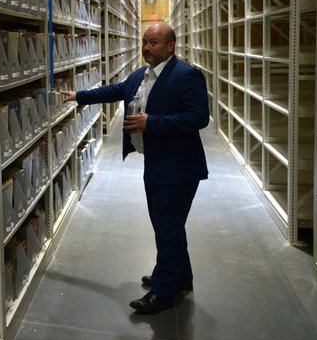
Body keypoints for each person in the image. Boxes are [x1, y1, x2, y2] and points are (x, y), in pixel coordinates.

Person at [59, 22, 209, 314]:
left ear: (170, 46)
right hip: (157, 162)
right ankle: (180, 277)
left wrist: (150, 123)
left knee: (166, 225)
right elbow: (116, 90)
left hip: (178, 167)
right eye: (145, 42)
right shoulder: (142, 75)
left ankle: (163, 292)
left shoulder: (186, 75)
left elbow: (198, 117)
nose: (147, 48)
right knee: (170, 224)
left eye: (154, 42)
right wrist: (79, 96)